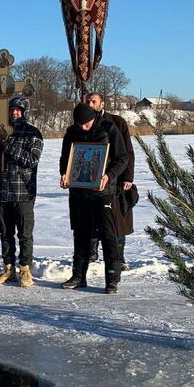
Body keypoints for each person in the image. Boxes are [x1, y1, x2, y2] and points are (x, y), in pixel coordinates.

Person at [58, 102, 129, 294]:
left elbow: (123, 157)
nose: (83, 127)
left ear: (93, 117)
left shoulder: (109, 128)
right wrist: (64, 174)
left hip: (104, 191)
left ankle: (112, 279)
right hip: (79, 191)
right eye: (80, 124)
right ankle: (79, 276)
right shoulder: (72, 131)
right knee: (81, 234)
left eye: (86, 124)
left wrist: (109, 176)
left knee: (108, 235)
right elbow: (66, 157)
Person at [0, 94, 44, 287]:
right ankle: (8, 267)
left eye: (18, 110)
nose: (15, 113)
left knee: (25, 233)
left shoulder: (32, 133)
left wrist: (9, 147)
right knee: (5, 232)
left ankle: (25, 268)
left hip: (23, 190)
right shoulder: (0, 132)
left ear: (24, 112)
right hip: (2, 190)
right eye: (12, 109)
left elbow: (31, 160)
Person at [86, 91, 136, 272]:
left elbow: (127, 152)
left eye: (94, 101)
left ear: (102, 103)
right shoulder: (83, 123)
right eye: (88, 101)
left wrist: (127, 177)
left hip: (115, 177)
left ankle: (119, 257)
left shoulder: (117, 122)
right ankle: (91, 254)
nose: (90, 104)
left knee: (117, 219)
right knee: (91, 218)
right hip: (91, 179)